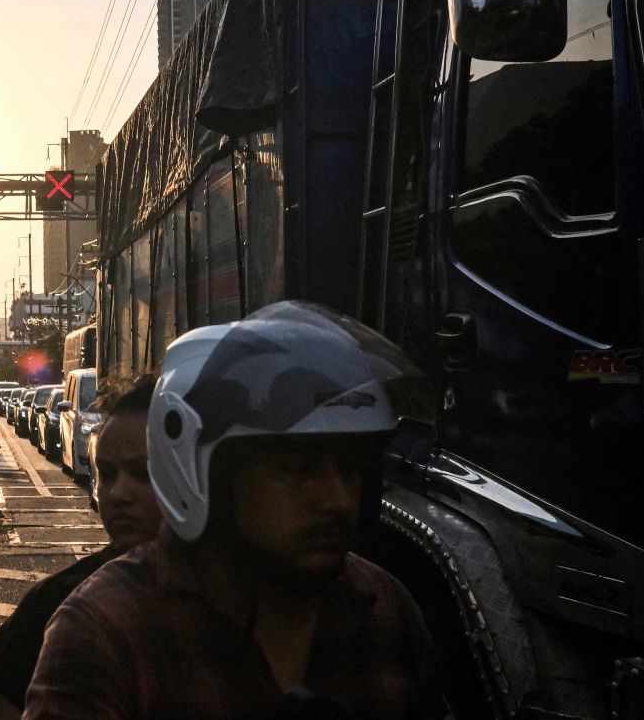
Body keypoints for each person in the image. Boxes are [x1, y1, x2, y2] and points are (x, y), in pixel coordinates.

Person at [24, 301, 443, 720]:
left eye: (353, 468)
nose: (338, 500)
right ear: (210, 474)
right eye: (297, 469)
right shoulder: (107, 629)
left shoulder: (385, 608)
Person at [0, 376, 162, 719]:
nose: (119, 494)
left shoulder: (252, 591)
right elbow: (2, 697)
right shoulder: (61, 606)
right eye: (108, 474)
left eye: (143, 473)